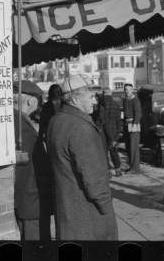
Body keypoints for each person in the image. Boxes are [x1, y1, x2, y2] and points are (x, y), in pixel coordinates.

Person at [47, 74, 118, 240]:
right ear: (75, 99)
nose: (95, 102)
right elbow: (94, 179)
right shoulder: (80, 127)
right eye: (92, 97)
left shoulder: (56, 121)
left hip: (68, 212)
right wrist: (107, 207)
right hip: (88, 216)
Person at [13, 81, 51, 240]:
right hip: (30, 198)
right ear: (30, 101)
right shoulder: (22, 126)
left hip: (28, 198)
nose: (40, 103)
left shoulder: (17, 120)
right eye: (38, 99)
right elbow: (23, 167)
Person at [102, 87, 123, 176]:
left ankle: (109, 171)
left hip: (103, 131)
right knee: (114, 151)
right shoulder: (116, 104)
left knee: (104, 151)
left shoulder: (102, 105)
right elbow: (118, 120)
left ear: (103, 93)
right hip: (114, 130)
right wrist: (118, 131)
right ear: (110, 93)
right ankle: (118, 169)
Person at [123, 83, 141, 173]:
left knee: (134, 147)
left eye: (129, 89)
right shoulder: (125, 99)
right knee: (128, 146)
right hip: (126, 124)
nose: (127, 91)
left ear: (132, 90)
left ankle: (135, 168)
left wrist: (134, 125)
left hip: (133, 124)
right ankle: (131, 166)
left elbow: (138, 113)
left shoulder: (135, 100)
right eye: (125, 89)